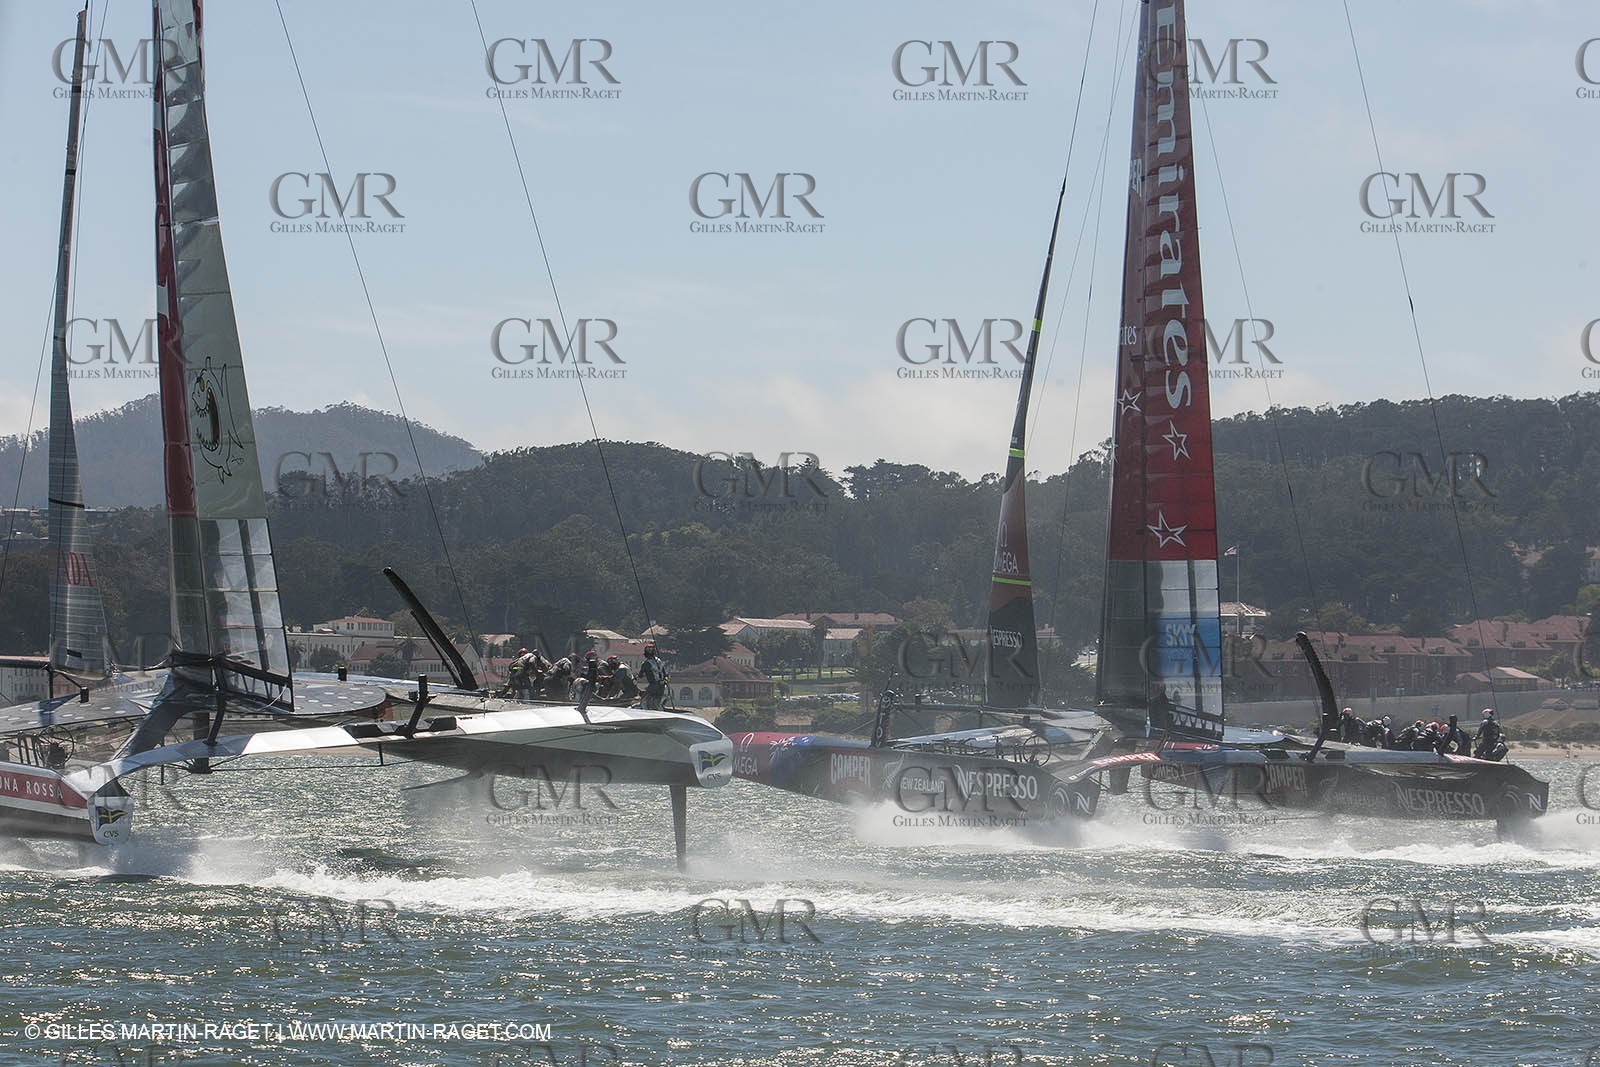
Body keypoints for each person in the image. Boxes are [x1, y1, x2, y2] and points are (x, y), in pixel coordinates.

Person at [638, 643, 668, 711]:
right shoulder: (659, 661)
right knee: (657, 700)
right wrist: (665, 681)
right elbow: (665, 674)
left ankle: (645, 710)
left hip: (654, 685)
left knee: (644, 699)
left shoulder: (646, 663)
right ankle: (658, 709)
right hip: (663, 685)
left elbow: (640, 675)